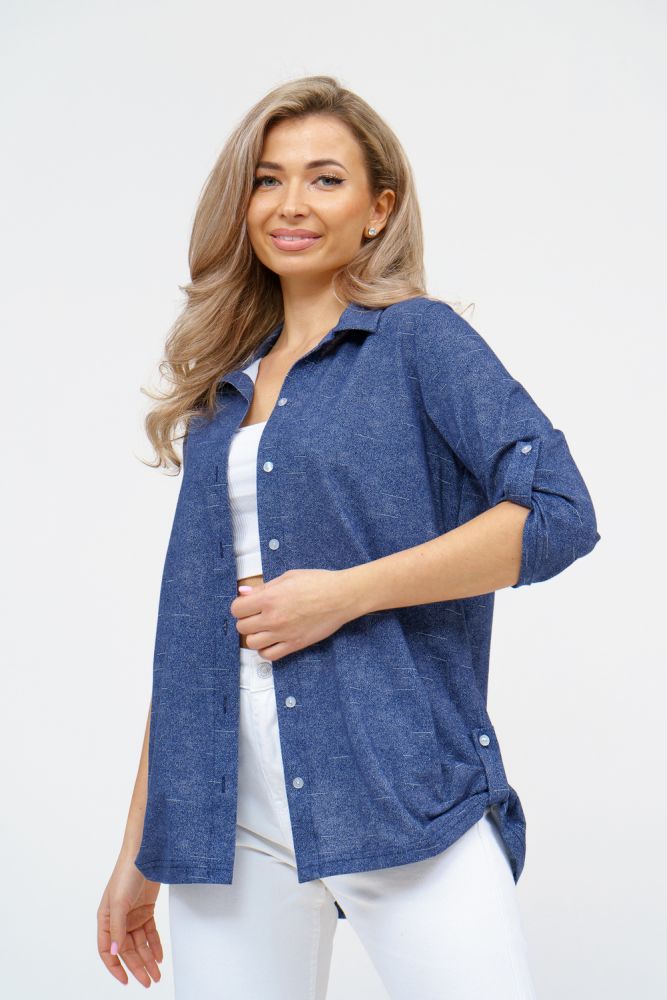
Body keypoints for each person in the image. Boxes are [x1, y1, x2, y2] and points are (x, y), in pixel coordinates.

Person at [97, 75, 600, 998]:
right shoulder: (222, 393)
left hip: (395, 781)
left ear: (378, 210)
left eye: (324, 179)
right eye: (267, 179)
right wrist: (143, 846)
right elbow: (190, 634)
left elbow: (558, 512)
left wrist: (343, 594)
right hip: (224, 814)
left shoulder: (418, 341)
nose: (290, 204)